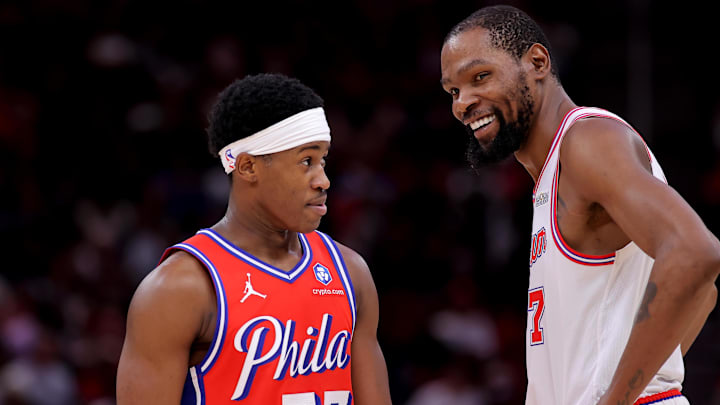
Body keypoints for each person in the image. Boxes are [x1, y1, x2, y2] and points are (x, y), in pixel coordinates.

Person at [440, 5, 719, 405]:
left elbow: (696, 255)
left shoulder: (587, 142)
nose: (462, 102)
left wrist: (618, 398)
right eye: (453, 90)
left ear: (537, 62)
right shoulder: (555, 169)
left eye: (480, 76)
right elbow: (703, 294)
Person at [116, 73, 393, 405]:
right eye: (306, 161)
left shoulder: (351, 272)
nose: (323, 180)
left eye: (323, 160)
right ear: (247, 167)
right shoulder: (179, 288)